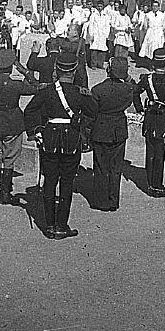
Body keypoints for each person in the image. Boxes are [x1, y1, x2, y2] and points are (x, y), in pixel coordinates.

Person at [24, 52, 98, 239]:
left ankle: (49, 225)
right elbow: (94, 112)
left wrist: (35, 132)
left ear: (56, 69)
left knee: (49, 182)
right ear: (74, 71)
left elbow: (30, 110)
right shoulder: (80, 93)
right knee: (66, 183)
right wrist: (81, 123)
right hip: (71, 141)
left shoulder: (46, 91)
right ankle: (62, 225)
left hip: (48, 139)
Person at [0, 49, 44, 204]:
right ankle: (6, 192)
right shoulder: (16, 84)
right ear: (11, 67)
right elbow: (37, 87)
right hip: (13, 123)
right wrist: (25, 72)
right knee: (9, 158)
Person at [90, 57, 141, 211]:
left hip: (101, 128)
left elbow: (91, 112)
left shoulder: (98, 89)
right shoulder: (128, 89)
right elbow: (137, 88)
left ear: (108, 70)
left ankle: (101, 200)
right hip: (119, 129)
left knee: (100, 166)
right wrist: (127, 77)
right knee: (115, 167)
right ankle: (113, 200)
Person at [134, 47, 165, 196]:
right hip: (164, 120)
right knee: (160, 153)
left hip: (150, 118)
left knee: (150, 152)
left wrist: (140, 109)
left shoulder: (146, 79)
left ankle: (150, 183)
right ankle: (157, 186)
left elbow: (135, 93)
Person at [86, 0, 111, 69]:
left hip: (102, 34)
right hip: (95, 33)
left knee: (102, 49)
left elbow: (107, 26)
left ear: (103, 7)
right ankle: (93, 64)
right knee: (94, 49)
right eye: (98, 6)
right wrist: (91, 34)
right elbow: (91, 25)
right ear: (96, 7)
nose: (100, 8)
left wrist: (106, 34)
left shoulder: (105, 15)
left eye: (101, 6)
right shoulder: (93, 15)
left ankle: (100, 64)